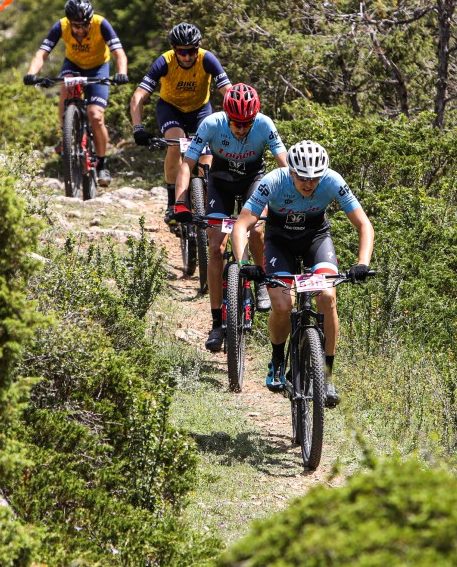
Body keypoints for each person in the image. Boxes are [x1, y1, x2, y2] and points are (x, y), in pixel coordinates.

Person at [230, 140, 374, 408]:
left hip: (315, 240)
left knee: (328, 298)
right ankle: (277, 359)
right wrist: (243, 263)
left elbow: (364, 224)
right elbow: (242, 225)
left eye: (315, 178)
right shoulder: (273, 181)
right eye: (304, 178)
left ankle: (327, 375)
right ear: (292, 172)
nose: (310, 184)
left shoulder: (332, 181)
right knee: (284, 305)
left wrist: (362, 262)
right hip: (279, 241)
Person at [170, 83, 287, 352]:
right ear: (226, 115)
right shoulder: (211, 124)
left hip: (253, 180)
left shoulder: (265, 125)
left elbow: (285, 166)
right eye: (237, 123)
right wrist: (180, 203)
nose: (242, 128)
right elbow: (187, 165)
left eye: (248, 123)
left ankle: (261, 282)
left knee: (257, 230)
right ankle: (216, 323)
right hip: (221, 182)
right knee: (214, 246)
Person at [130, 22, 232, 223]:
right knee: (175, 143)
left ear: (198, 47)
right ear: (174, 49)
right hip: (171, 109)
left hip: (200, 110)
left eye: (191, 51)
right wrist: (138, 128)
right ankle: (171, 203)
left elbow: (229, 92)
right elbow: (138, 97)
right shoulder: (165, 61)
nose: (187, 56)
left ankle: (205, 200)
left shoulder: (207, 59)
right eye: (181, 52)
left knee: (205, 157)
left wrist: (238, 119)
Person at [23, 0, 128, 185]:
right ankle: (67, 134)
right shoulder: (61, 26)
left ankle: (102, 165)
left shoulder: (101, 24)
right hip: (73, 64)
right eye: (75, 25)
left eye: (84, 25)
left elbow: (119, 53)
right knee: (66, 84)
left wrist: (121, 72)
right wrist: (32, 72)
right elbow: (42, 53)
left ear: (90, 20)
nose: (80, 30)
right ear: (69, 22)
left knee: (95, 115)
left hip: (98, 67)